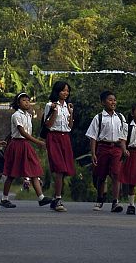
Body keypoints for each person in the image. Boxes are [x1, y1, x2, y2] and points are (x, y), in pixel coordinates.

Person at [0, 92, 51, 209]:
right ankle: (4, 198)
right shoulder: (16, 115)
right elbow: (22, 132)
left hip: (26, 144)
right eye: (24, 100)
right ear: (18, 103)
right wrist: (38, 142)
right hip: (17, 144)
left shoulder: (29, 115)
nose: (27, 102)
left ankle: (41, 197)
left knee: (34, 170)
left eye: (28, 100)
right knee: (11, 173)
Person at [86, 90, 128, 213]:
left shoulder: (120, 117)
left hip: (116, 148)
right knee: (101, 174)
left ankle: (115, 201)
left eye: (114, 100)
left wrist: (124, 149)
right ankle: (100, 199)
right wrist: (93, 153)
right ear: (103, 102)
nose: (113, 102)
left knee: (116, 174)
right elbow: (93, 137)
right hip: (103, 147)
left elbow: (123, 135)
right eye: (110, 100)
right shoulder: (98, 117)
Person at [43, 80, 75, 212]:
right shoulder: (50, 105)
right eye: (63, 90)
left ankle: (56, 197)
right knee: (59, 168)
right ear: (57, 91)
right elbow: (48, 125)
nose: (65, 93)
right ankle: (57, 198)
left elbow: (70, 126)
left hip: (65, 137)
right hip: (54, 137)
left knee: (65, 170)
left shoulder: (68, 106)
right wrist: (54, 112)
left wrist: (71, 113)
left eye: (67, 91)